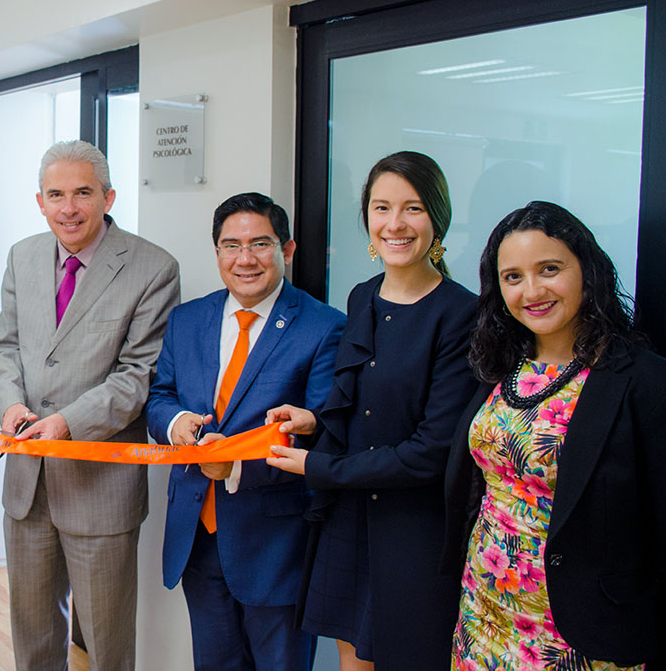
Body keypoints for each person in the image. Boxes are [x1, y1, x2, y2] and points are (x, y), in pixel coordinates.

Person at [266, 151, 477, 670]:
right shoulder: (362, 296)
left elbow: (432, 451)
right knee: (350, 661)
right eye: (382, 208)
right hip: (349, 514)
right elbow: (360, 403)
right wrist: (314, 420)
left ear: (438, 219)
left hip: (412, 528)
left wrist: (321, 468)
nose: (395, 224)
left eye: (413, 208)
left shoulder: (464, 314)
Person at [0, 140, 180, 671]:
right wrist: (10, 404)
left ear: (108, 197)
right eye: (56, 194)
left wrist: (67, 422)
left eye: (83, 193)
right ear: (40, 201)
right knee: (34, 633)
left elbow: (139, 376)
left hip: (99, 485)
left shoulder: (152, 267)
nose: (69, 207)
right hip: (26, 479)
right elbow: (2, 348)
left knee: (106, 641)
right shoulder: (22, 255)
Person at [444, 201, 664, 669]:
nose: (532, 290)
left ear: (588, 270)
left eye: (549, 269)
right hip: (484, 610)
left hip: (581, 630)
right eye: (513, 277)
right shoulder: (501, 365)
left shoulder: (643, 381)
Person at [145, 193, 345, 670]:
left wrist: (233, 463)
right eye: (230, 245)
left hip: (275, 544)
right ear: (216, 252)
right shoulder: (187, 319)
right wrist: (177, 426)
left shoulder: (324, 327)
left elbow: (321, 433)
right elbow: (159, 398)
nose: (245, 259)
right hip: (197, 535)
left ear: (288, 250)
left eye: (260, 244)